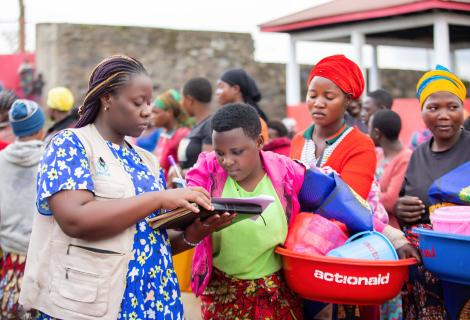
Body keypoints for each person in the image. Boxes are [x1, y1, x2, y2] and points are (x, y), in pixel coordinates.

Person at [19, 55, 235, 320]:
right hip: (92, 306)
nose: (147, 110)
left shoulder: (145, 160)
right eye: (137, 102)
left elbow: (145, 239)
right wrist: (159, 198)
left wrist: (193, 233)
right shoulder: (70, 145)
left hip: (152, 303)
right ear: (107, 98)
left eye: (149, 102)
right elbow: (75, 220)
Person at [290, 54, 412, 320]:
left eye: (329, 96)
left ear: (348, 100)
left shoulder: (360, 145)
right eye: (312, 95)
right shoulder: (299, 140)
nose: (318, 103)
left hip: (343, 258)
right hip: (300, 255)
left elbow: (351, 206)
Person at [186, 103, 304, 319]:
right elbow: (184, 217)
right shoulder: (206, 175)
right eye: (219, 153)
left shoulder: (287, 174)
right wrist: (194, 230)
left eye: (236, 152)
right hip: (223, 296)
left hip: (276, 295)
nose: (227, 161)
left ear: (259, 142)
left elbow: (331, 193)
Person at [396, 65, 468, 320]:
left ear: (463, 108)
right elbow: (405, 204)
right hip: (423, 273)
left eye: (452, 106)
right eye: (433, 107)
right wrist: (400, 208)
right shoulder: (418, 155)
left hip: (463, 269)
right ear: (423, 111)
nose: (444, 115)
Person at [0, 99, 46, 319]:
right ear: (40, 129)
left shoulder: (1, 160)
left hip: (10, 262)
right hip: (44, 261)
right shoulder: (51, 158)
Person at [370, 110, 412, 229]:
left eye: (369, 128)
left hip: (391, 230)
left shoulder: (405, 159)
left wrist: (364, 197)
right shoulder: (379, 155)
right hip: (373, 223)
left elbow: (391, 200)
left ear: (377, 133)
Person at [215, 68, 269, 141]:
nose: (217, 92)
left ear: (235, 89)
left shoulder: (254, 121)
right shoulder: (226, 117)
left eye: (221, 87)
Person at [152, 89, 191, 178]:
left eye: (156, 112)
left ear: (169, 112)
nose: (152, 116)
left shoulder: (181, 135)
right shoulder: (164, 133)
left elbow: (182, 168)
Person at [177, 77, 214, 171]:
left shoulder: (210, 125)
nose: (181, 103)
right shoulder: (199, 125)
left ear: (190, 100)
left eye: (182, 99)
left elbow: (207, 166)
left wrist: (182, 173)